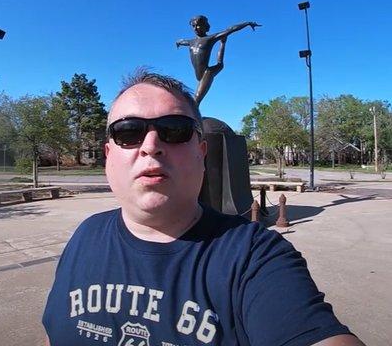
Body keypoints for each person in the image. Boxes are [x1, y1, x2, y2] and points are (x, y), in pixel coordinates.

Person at [43, 70, 365, 346]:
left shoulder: (254, 257)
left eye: (175, 130)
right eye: (129, 132)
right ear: (108, 155)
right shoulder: (85, 236)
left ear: (201, 153)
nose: (151, 145)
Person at [176, 15, 260, 105]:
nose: (196, 28)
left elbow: (231, 29)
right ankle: (223, 43)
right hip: (198, 75)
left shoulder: (210, 38)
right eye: (193, 26)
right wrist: (178, 42)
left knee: (196, 100)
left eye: (198, 25)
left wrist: (247, 23)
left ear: (205, 26)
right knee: (220, 65)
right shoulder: (190, 42)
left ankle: (193, 118)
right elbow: (181, 41)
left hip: (207, 72)